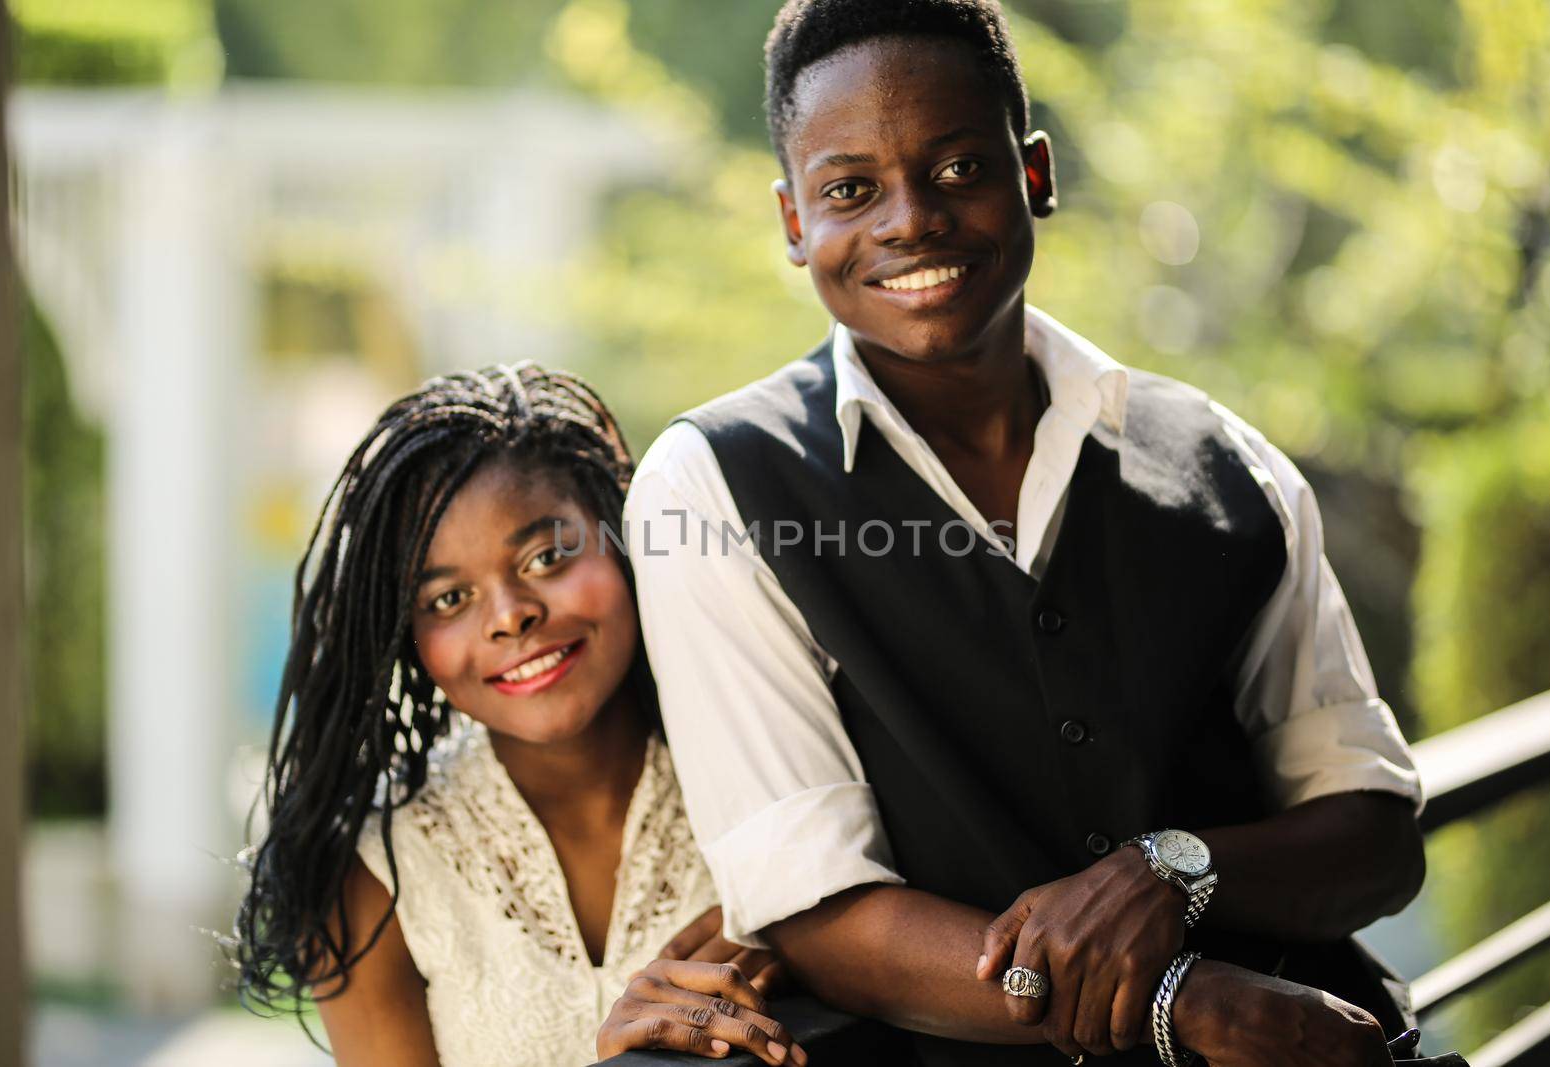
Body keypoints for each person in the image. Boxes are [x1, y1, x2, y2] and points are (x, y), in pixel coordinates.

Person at [623, 2, 1427, 1065]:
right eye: (850, 189)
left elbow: (1373, 831)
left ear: (1033, 174)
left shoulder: (1224, 460)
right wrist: (1185, 1001)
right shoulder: (713, 485)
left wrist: (1175, 865)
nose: (909, 219)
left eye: (958, 169)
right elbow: (813, 907)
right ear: (791, 222)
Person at [233, 365, 808, 1067]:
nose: (510, 615)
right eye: (448, 599)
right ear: (409, 644)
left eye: (546, 555)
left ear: (620, 535)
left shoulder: (774, 762)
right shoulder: (374, 875)